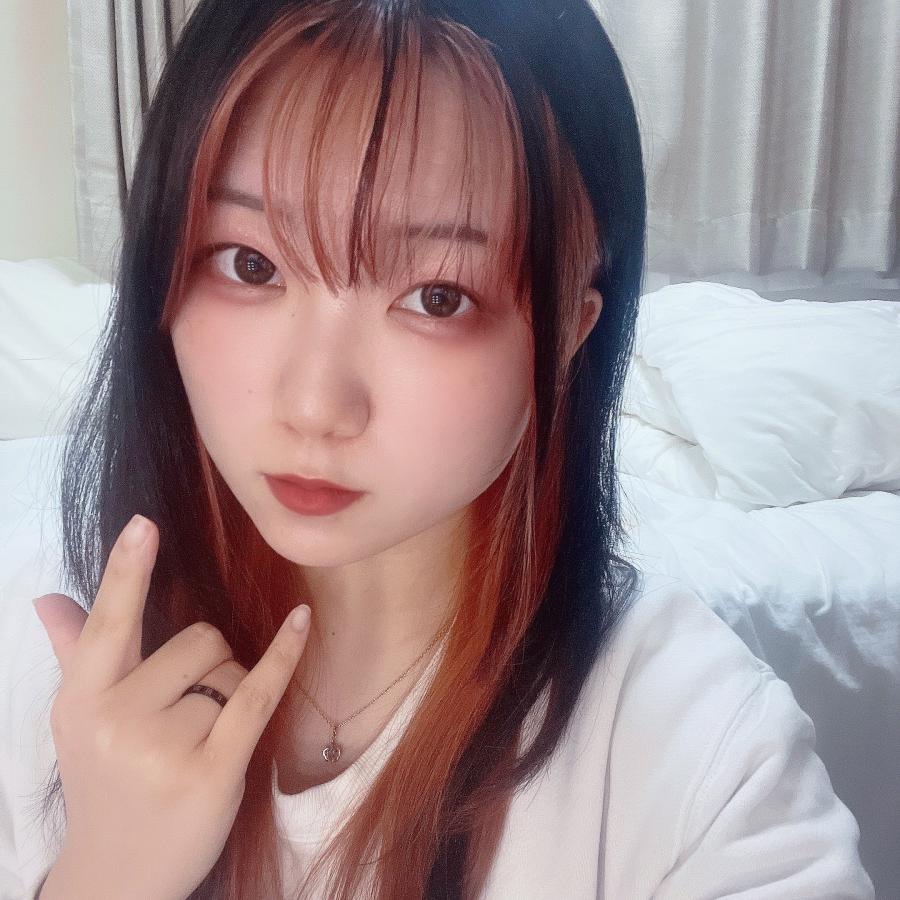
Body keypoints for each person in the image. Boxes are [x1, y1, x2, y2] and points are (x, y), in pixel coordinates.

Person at [1, 0, 874, 897]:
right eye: (251, 264)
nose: (316, 405)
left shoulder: (699, 753)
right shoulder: (46, 652)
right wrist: (105, 872)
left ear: (569, 332)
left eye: (438, 297)